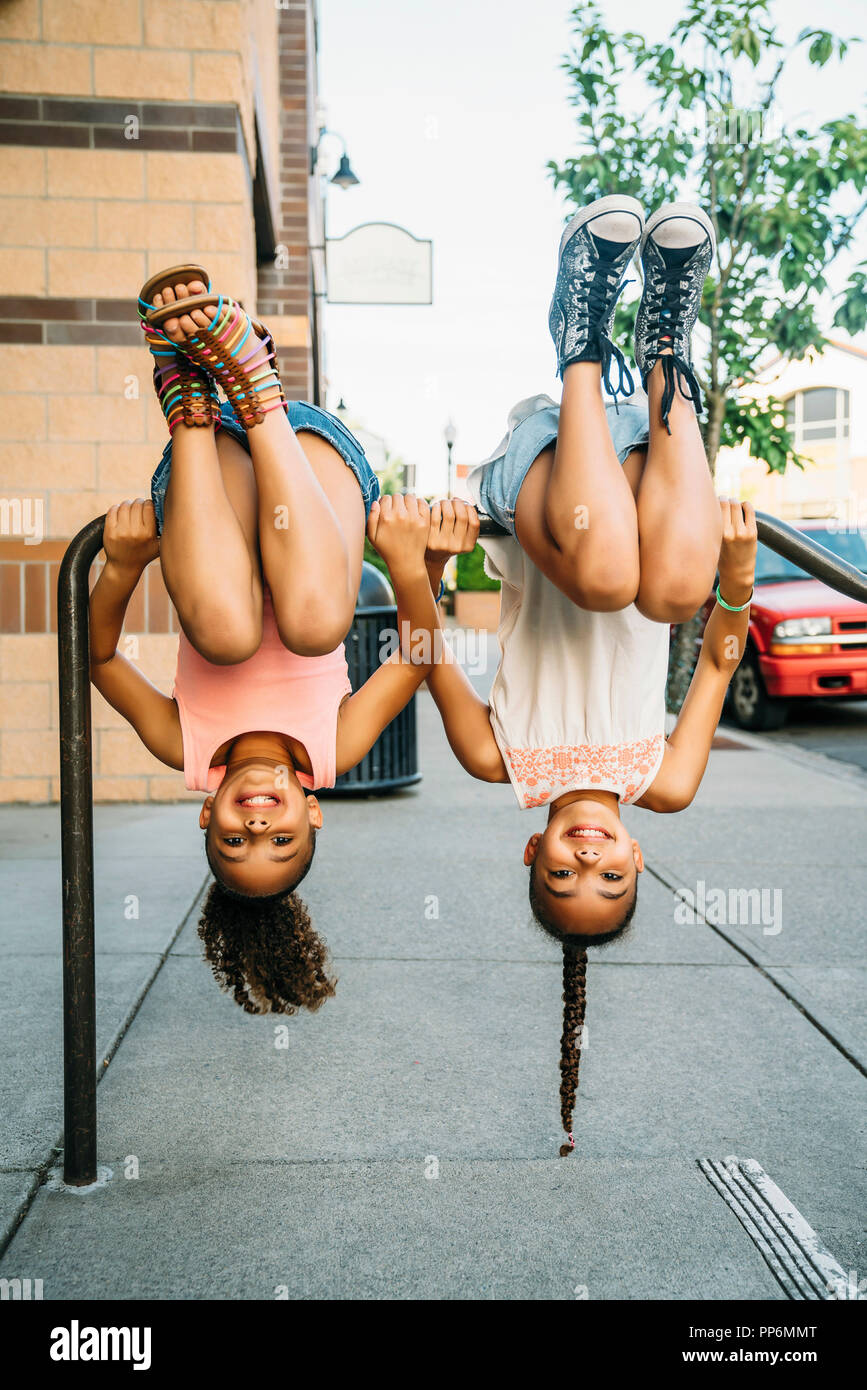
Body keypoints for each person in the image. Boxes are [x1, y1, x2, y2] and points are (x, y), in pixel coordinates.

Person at [419, 198, 757, 1152]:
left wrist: (422, 569)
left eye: (567, 872)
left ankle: (579, 337)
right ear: (635, 860)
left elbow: (423, 651)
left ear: (532, 855)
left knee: (610, 580)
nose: (589, 853)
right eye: (609, 874)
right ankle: (664, 352)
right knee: (676, 589)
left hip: (547, 478)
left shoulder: (501, 761)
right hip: (648, 467)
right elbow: (718, 655)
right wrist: (734, 584)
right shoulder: (665, 780)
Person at [89, 266, 478, 1015]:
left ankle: (192, 404)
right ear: (313, 815)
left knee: (230, 635)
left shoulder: (187, 744)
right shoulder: (336, 748)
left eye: (235, 842)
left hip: (212, 475)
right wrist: (408, 564)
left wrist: (124, 567)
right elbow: (417, 658)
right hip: (313, 462)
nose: (258, 825)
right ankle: (252, 383)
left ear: (208, 816)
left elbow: (100, 658)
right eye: (281, 841)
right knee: (311, 627)